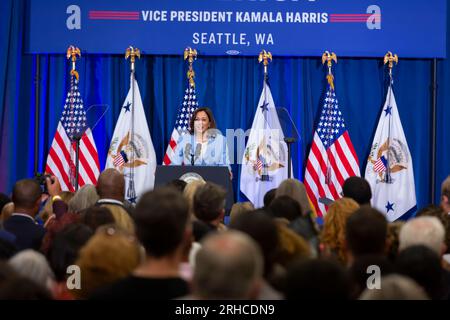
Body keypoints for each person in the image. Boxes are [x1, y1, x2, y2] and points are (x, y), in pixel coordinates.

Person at [171, 107, 231, 172]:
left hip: (213, 180)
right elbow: (175, 165)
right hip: (190, 179)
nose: (200, 123)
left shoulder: (221, 141)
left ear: (209, 123)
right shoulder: (184, 140)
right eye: (197, 119)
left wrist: (228, 171)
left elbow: (225, 166)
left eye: (204, 120)